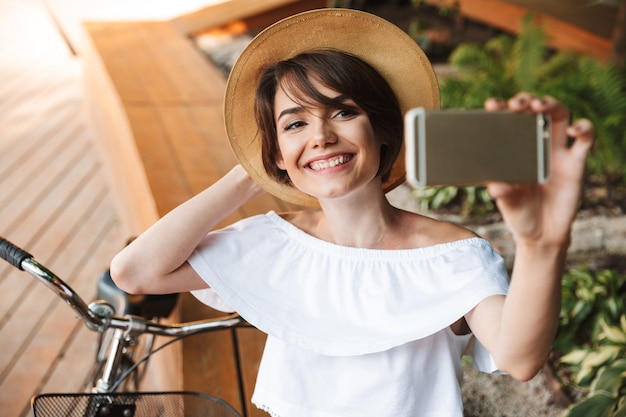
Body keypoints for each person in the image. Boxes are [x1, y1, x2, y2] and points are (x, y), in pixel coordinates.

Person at [110, 8, 594, 417]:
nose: (320, 136)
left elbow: (520, 357)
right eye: (295, 123)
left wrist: (541, 244)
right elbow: (134, 272)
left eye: (343, 112)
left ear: (382, 130)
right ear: (274, 153)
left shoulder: (452, 255)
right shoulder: (272, 242)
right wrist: (250, 172)